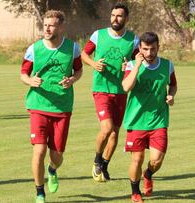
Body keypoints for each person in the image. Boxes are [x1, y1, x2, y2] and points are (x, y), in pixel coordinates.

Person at [20, 10, 83, 203]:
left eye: (51, 25)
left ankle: (52, 170)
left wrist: (72, 79)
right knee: (38, 151)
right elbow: (23, 74)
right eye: (45, 24)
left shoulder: (72, 48)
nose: (47, 28)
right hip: (38, 105)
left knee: (57, 156)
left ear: (60, 27)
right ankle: (40, 192)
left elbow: (79, 70)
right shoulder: (34, 49)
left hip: (62, 108)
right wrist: (31, 81)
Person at [81, 2, 139, 182]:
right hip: (101, 90)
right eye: (113, 15)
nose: (115, 18)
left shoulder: (133, 39)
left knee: (115, 133)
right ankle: (97, 160)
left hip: (121, 92)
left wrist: (128, 66)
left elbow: (139, 62)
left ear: (126, 19)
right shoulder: (99, 35)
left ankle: (104, 166)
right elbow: (84, 54)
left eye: (119, 16)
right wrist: (93, 64)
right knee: (106, 129)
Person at [122, 32, 177, 203]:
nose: (149, 53)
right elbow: (126, 87)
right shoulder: (131, 65)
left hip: (158, 120)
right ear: (140, 49)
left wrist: (170, 95)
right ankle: (135, 192)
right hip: (136, 121)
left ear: (158, 48)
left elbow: (173, 85)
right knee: (137, 159)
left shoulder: (167, 65)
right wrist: (137, 66)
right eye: (145, 49)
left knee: (156, 160)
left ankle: (149, 174)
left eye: (153, 49)